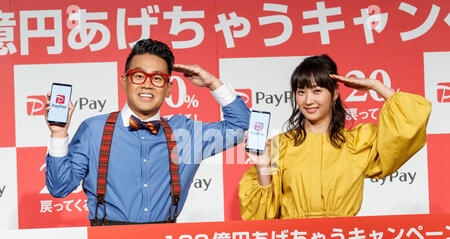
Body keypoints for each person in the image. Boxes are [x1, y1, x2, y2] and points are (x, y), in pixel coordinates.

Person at [45, 38, 250, 225]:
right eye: (139, 76)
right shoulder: (94, 129)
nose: (148, 85)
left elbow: (241, 126)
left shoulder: (185, 133)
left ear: (168, 88)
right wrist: (58, 134)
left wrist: (212, 83)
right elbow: (59, 188)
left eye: (157, 79)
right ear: (124, 82)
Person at [239, 54, 431, 220]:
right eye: (301, 92)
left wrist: (376, 85)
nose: (308, 100)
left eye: (317, 91)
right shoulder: (279, 145)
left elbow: (411, 121)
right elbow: (261, 219)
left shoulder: (357, 142)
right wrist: (263, 167)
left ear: (335, 93)